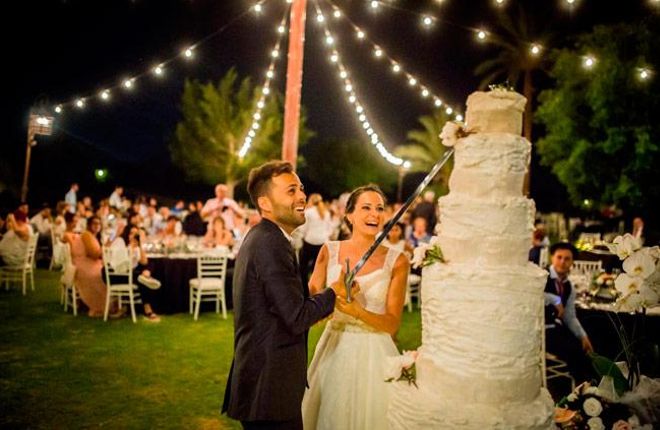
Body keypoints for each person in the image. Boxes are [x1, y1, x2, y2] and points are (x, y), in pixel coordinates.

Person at [222, 160, 349, 430]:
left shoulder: (263, 237)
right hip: (270, 388)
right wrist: (334, 293)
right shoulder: (271, 243)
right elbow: (296, 316)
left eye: (301, 189)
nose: (302, 196)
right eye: (291, 190)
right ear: (265, 203)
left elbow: (282, 309)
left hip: (265, 384)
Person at [302, 184, 410, 430]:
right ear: (349, 215)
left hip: (375, 354)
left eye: (380, 208)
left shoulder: (398, 261)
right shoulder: (328, 251)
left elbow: (392, 324)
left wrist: (357, 311)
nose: (375, 214)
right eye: (366, 208)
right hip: (334, 348)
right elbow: (308, 304)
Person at [544, 242, 595, 382]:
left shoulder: (569, 287)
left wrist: (583, 336)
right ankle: (582, 388)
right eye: (559, 257)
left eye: (567, 259)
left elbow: (569, 316)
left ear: (572, 262)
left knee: (589, 342)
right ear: (552, 258)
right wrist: (555, 299)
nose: (562, 262)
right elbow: (531, 294)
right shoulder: (541, 277)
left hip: (556, 328)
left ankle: (589, 385)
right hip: (540, 332)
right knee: (575, 350)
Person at [62, 214, 109, 317]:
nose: (97, 226)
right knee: (104, 276)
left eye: (99, 224)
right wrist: (107, 245)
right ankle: (102, 306)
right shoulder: (87, 235)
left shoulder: (92, 236)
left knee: (107, 272)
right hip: (84, 265)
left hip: (86, 263)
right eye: (94, 223)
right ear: (89, 225)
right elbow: (94, 255)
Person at [298, 193, 333, 287]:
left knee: (303, 265)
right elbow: (330, 229)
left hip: (310, 241)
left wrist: (303, 235)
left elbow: (303, 228)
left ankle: (303, 284)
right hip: (322, 242)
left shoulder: (309, 212)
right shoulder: (326, 213)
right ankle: (315, 286)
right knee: (316, 266)